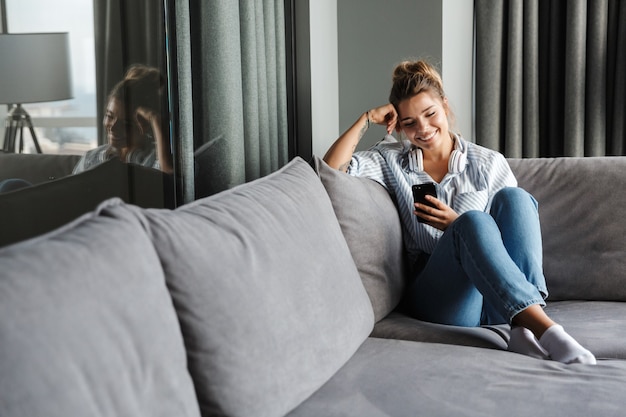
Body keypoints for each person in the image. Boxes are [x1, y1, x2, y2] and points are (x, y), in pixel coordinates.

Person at [324, 59, 596, 365]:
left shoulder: (488, 162)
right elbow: (331, 170)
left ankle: (522, 327)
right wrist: (365, 118)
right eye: (410, 122)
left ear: (444, 106)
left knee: (515, 199)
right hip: (442, 297)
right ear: (398, 124)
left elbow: (513, 243)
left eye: (430, 114)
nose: (423, 129)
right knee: (473, 222)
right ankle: (549, 331)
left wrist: (456, 223)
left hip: (495, 294)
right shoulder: (391, 159)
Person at [73, 64, 172, 174]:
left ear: (146, 125)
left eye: (126, 123)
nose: (113, 128)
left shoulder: (155, 161)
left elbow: (168, 179)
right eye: (109, 116)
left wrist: (155, 119)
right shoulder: (90, 159)